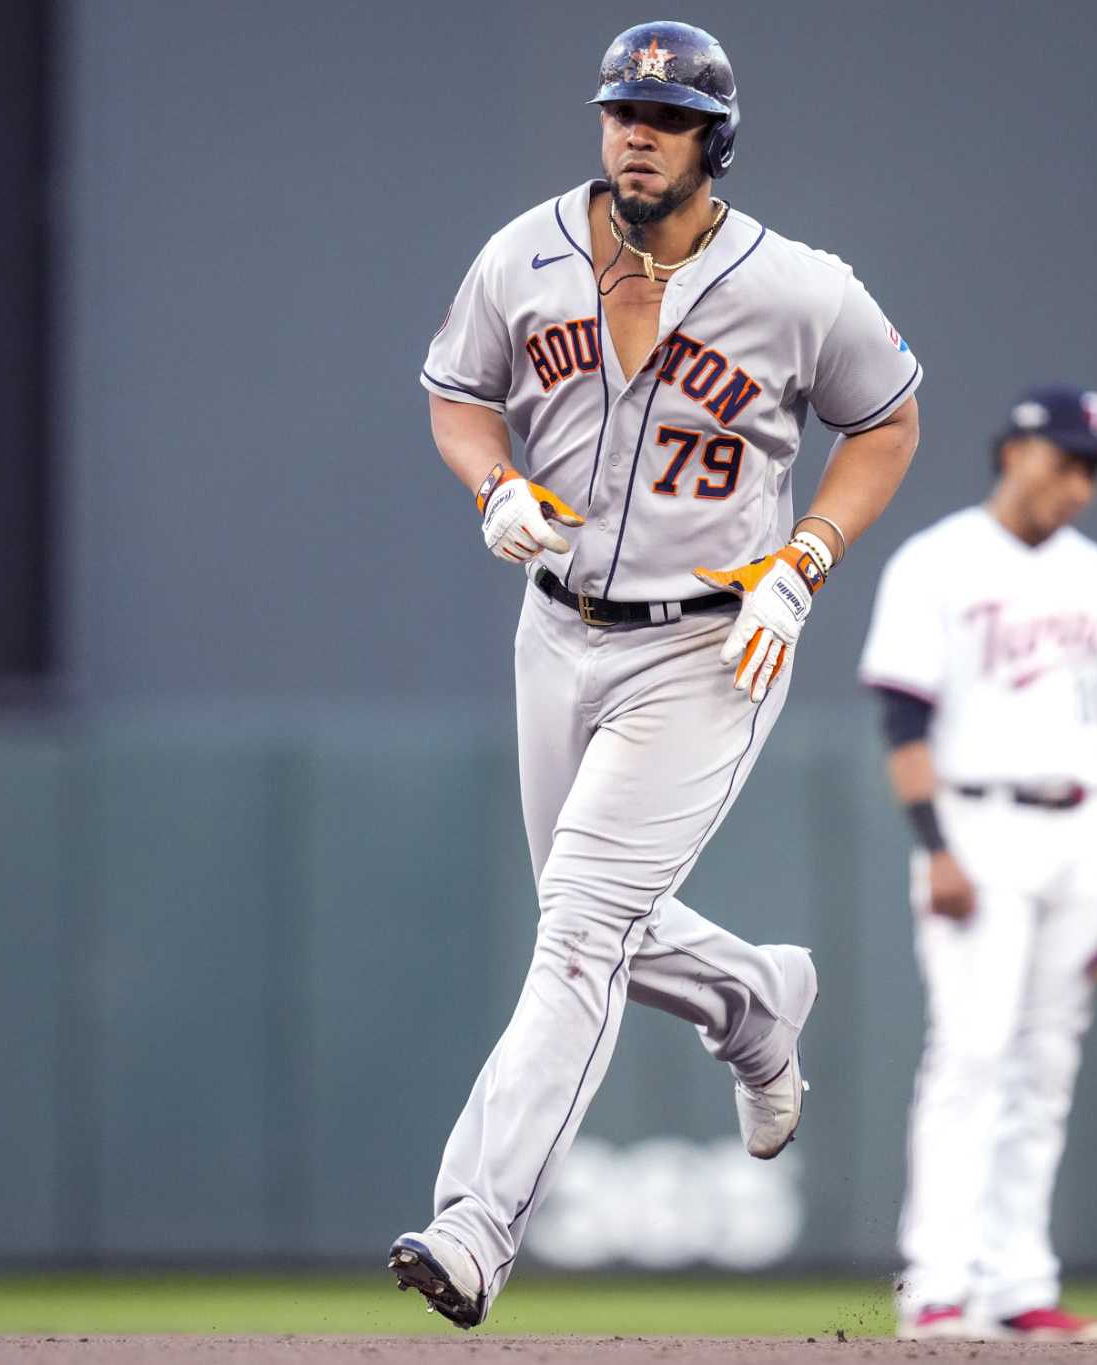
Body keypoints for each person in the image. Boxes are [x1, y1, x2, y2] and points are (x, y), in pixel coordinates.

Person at [389, 19, 923, 1329]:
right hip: (555, 626)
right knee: (598, 923)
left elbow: (891, 415)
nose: (636, 130)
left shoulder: (798, 288)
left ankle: (474, 1228)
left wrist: (810, 554)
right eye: (623, 109)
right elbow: (457, 391)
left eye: (667, 117)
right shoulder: (521, 254)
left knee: (577, 930)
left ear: (713, 141)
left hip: (711, 641)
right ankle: (756, 998)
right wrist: (493, 478)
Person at [858, 386, 1097, 1342]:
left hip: (1080, 830)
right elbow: (902, 717)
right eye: (1065, 461)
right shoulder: (938, 560)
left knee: (1045, 1063)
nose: (1079, 484)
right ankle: (938, 1286)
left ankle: (1017, 1282)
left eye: (1092, 470)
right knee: (972, 1051)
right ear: (1014, 451)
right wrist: (935, 848)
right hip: (977, 822)